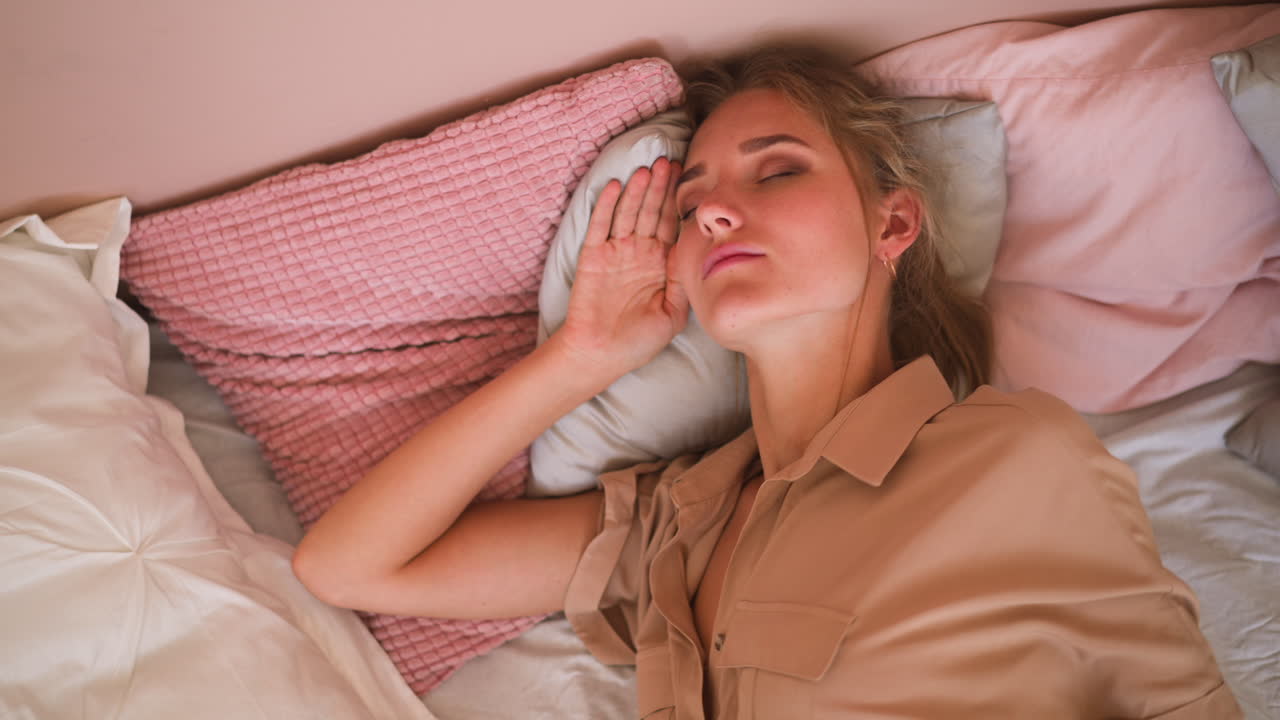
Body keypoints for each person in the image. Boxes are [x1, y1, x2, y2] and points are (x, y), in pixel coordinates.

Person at [292, 46, 1241, 718]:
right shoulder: (675, 524)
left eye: (776, 172)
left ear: (893, 226)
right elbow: (347, 566)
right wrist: (580, 358)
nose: (713, 215)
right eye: (693, 199)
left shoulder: (1015, 457)